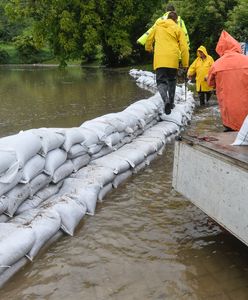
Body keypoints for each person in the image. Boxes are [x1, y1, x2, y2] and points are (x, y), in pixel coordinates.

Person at [145, 11, 189, 115]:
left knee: (161, 82)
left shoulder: (157, 26)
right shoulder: (178, 28)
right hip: (172, 59)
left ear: (167, 18)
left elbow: (148, 41)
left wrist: (149, 49)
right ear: (176, 20)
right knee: (172, 80)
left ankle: (166, 101)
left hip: (160, 59)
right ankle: (172, 102)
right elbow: (184, 47)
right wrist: (185, 64)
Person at [208, 30, 248, 131]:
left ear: (220, 47)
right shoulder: (246, 60)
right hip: (245, 111)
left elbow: (210, 83)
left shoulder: (217, 64)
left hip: (228, 115)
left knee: (229, 137)